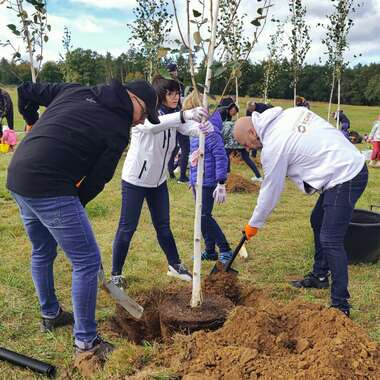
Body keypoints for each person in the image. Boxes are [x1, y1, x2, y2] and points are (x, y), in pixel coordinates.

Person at [6, 79, 160, 364]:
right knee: (87, 262)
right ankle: (86, 343)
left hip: (18, 175)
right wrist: (74, 206)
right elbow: (97, 180)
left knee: (43, 250)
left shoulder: (75, 89)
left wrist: (32, 121)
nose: (140, 123)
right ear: (133, 100)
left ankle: (50, 314)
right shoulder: (117, 129)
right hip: (49, 186)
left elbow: (25, 90)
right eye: (143, 114)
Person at [234, 107, 368, 318]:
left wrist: (254, 224)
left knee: (331, 239)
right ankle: (319, 276)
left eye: (245, 143)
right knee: (317, 220)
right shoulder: (288, 113)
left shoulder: (274, 145)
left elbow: (271, 190)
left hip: (346, 173)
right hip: (340, 167)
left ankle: (341, 305)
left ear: (252, 132)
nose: (247, 147)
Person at [111, 76, 210, 288]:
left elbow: (185, 128)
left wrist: (201, 128)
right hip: (135, 180)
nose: (176, 97)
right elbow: (154, 126)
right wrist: (185, 115)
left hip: (159, 182)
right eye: (171, 93)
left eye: (178, 93)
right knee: (127, 227)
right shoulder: (145, 115)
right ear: (160, 94)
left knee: (163, 226)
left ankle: (175, 265)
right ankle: (116, 273)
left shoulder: (174, 115)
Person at [186, 91, 232, 264]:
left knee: (204, 216)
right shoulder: (195, 131)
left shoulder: (211, 132)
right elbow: (194, 158)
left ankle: (225, 248)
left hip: (209, 181)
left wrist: (221, 182)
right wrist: (192, 180)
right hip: (198, 181)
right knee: (202, 217)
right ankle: (210, 250)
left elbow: (221, 157)